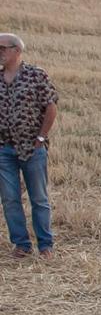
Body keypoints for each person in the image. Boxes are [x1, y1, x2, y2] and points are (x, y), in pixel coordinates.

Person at [0, 32, 58, 260]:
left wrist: (41, 138)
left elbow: (51, 106)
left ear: (17, 50)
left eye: (3, 48)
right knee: (10, 198)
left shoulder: (36, 75)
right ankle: (21, 245)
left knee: (39, 198)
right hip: (4, 148)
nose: (0, 53)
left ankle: (46, 246)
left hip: (32, 148)